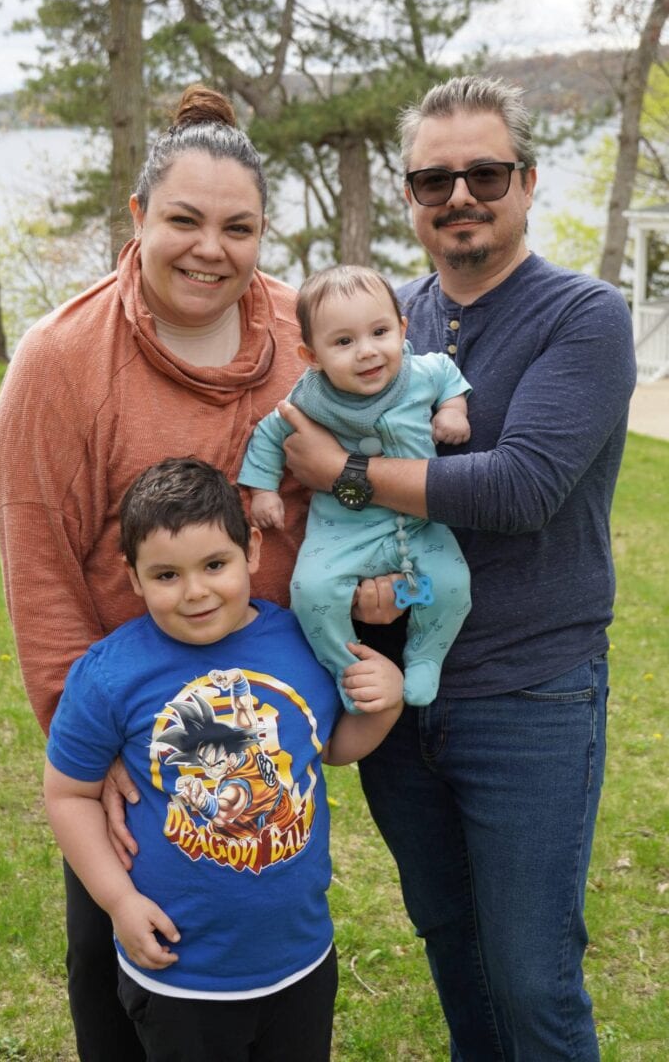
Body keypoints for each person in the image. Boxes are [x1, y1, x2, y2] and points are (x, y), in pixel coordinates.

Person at [0, 84, 396, 1061]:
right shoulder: (59, 360)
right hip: (132, 716)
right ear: (137, 219)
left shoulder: (303, 337)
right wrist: (99, 748)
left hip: (271, 692)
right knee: (128, 985)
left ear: (264, 235)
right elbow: (41, 575)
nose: (210, 248)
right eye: (183, 219)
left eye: (239, 227)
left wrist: (375, 586)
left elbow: (371, 450)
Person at [276, 75, 637, 1061]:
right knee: (453, 949)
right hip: (393, 697)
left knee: (532, 977)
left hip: (531, 693)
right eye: (435, 179)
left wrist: (342, 472)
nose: (460, 196)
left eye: (484, 172)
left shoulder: (586, 317)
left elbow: (522, 489)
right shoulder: (378, 318)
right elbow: (288, 440)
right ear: (408, 197)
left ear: (526, 180)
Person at [44, 456, 403, 1062]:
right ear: (132, 578)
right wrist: (119, 902)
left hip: (300, 954)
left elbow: (333, 750)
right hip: (181, 972)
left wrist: (383, 706)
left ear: (253, 551)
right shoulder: (109, 674)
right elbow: (68, 794)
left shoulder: (303, 641)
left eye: (215, 565)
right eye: (166, 575)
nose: (196, 592)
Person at [238, 264, 472, 711]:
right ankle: (346, 668)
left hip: (420, 526)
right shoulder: (311, 397)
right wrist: (263, 489)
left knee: (452, 584)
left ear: (402, 329)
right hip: (342, 533)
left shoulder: (421, 373)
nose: (367, 352)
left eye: (379, 332)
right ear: (311, 356)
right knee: (311, 591)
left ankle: (425, 654)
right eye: (344, 342)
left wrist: (453, 411)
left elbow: (447, 375)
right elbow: (271, 433)